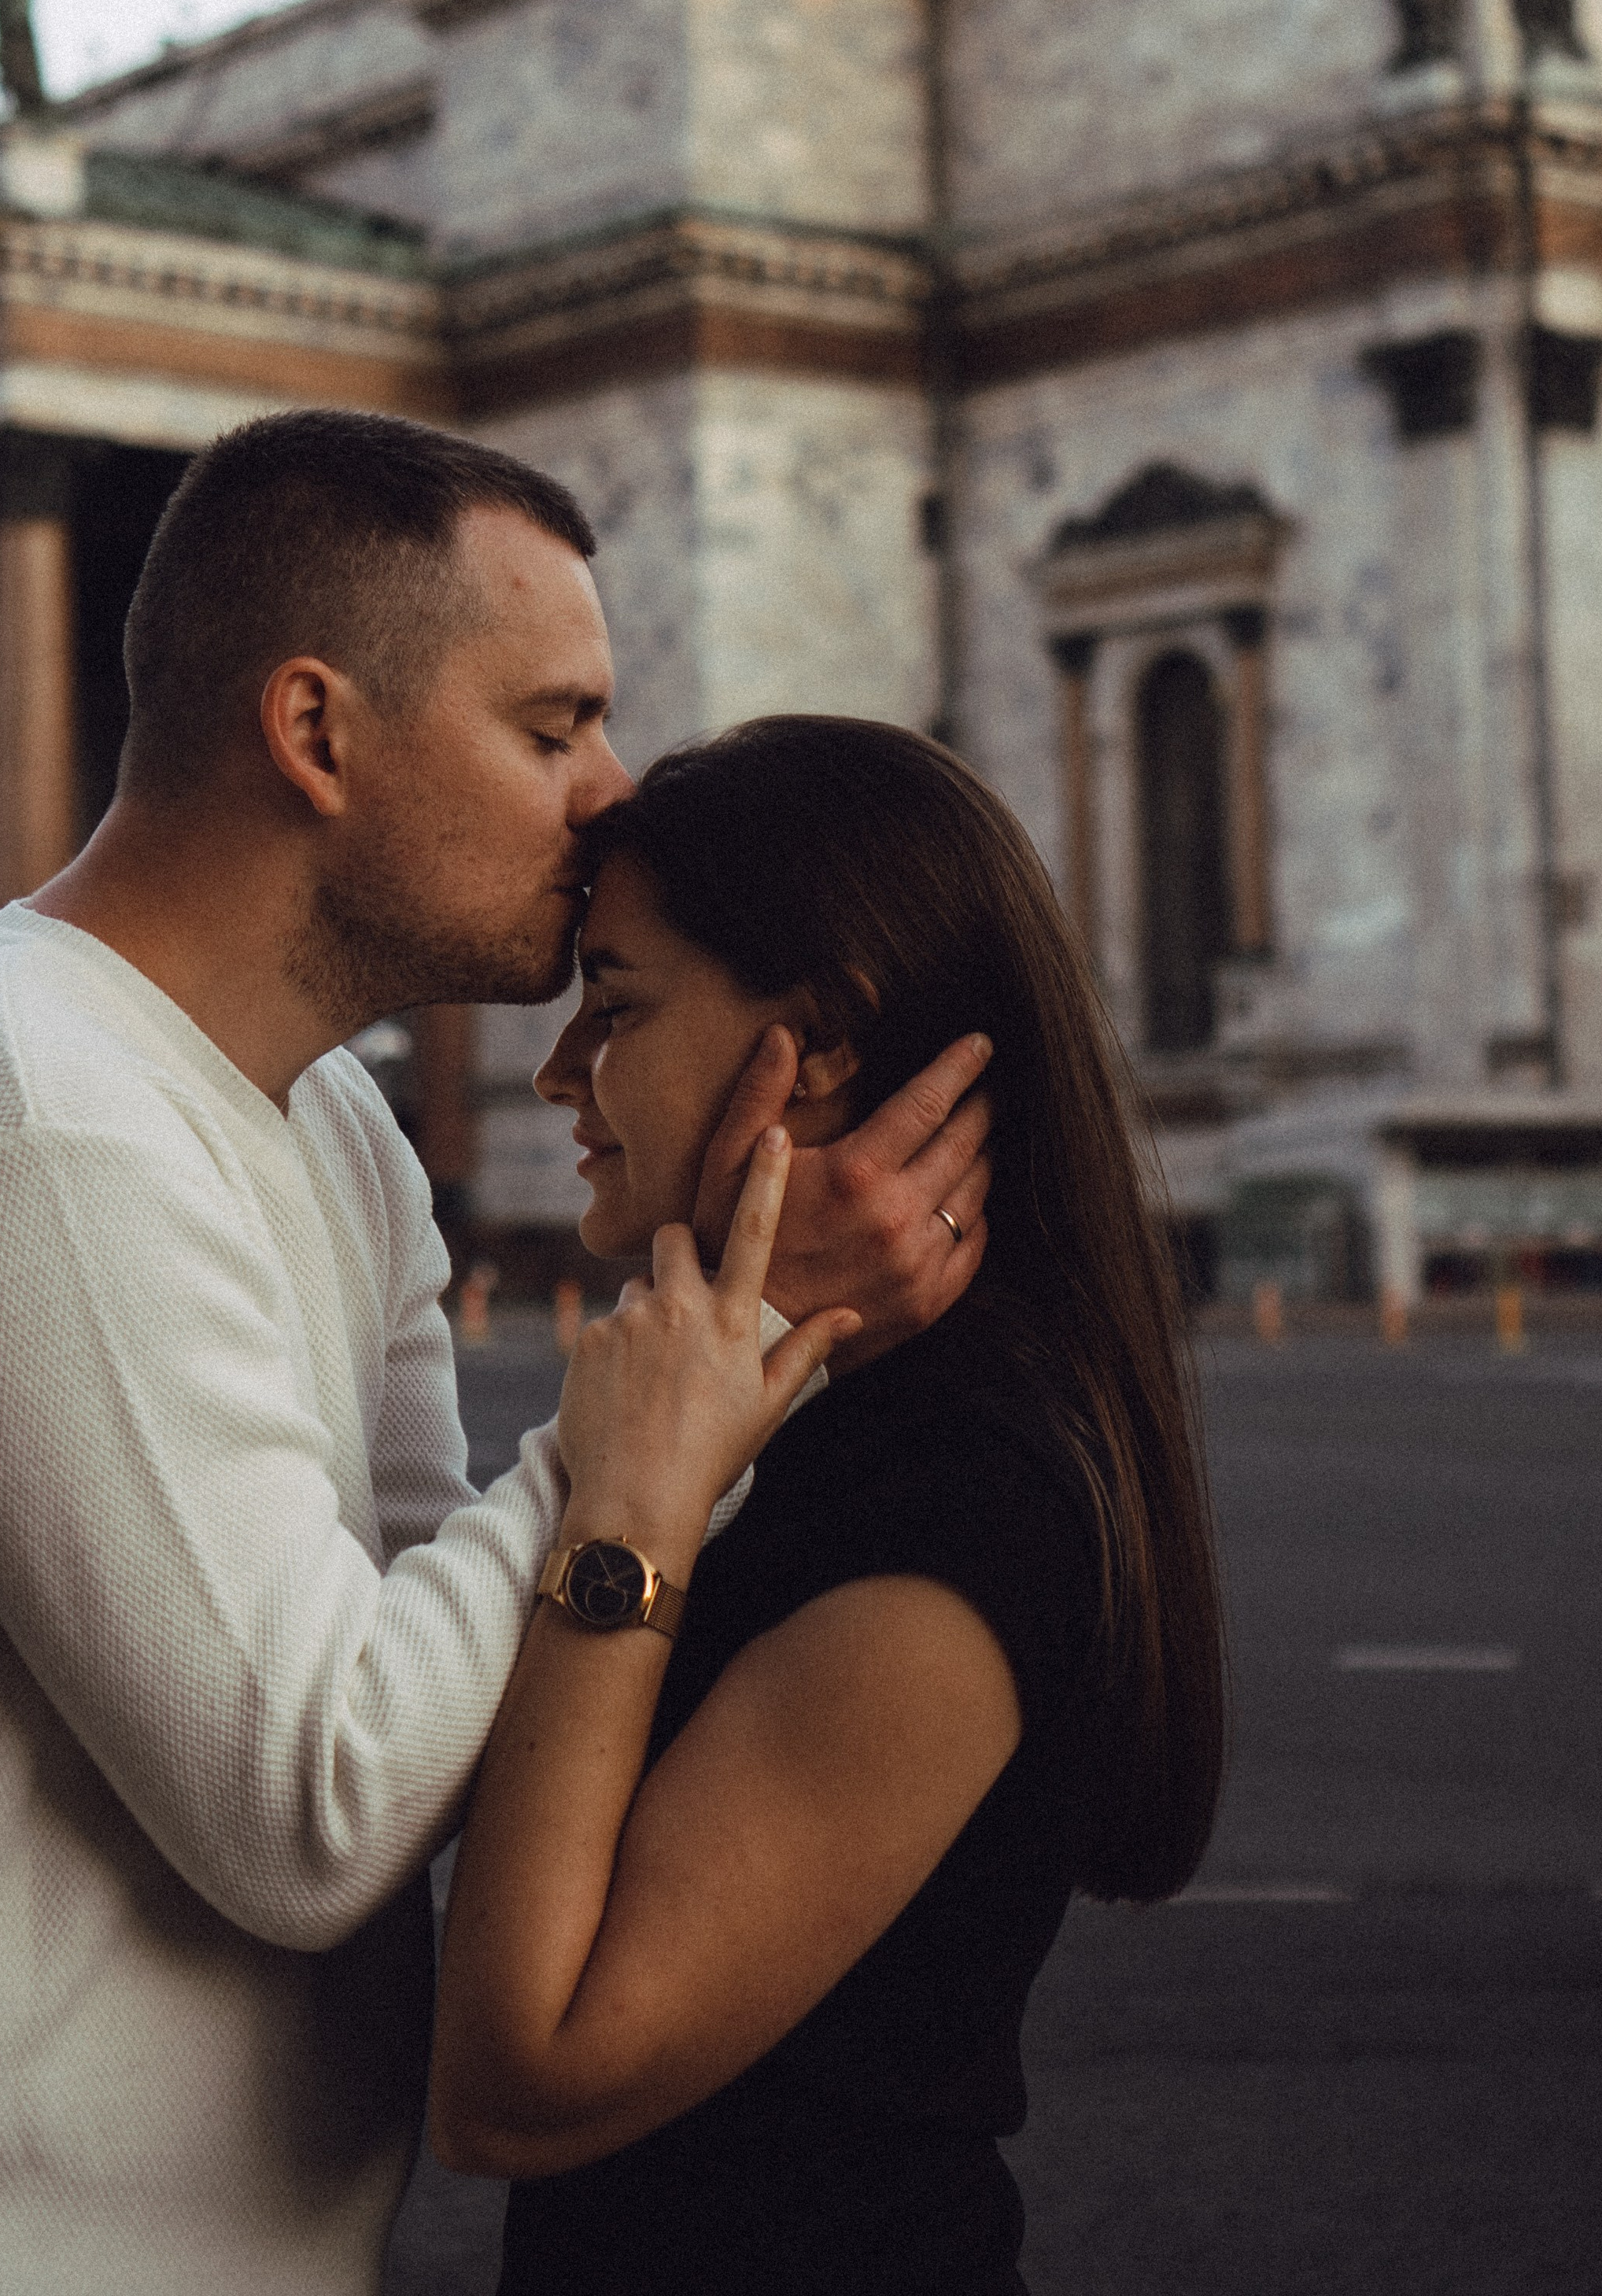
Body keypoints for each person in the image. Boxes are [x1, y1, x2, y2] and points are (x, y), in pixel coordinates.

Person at [0, 412, 991, 2296]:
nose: (610, 792)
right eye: (550, 726)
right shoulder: (15, 1114)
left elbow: (452, 1701)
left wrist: (694, 1387)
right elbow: (323, 1808)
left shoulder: (337, 1133)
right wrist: (679, 1400)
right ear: (315, 733)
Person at [430, 715, 1227, 2294]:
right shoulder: (831, 1414)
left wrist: (637, 1502)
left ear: (825, 1044)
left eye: (617, 1003)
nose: (555, 1073)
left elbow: (518, 2084)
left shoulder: (956, 1504)